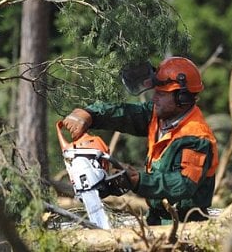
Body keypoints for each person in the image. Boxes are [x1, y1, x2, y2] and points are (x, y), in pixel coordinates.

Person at [62, 56, 219, 225]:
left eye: (161, 94)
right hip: (156, 215)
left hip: (187, 222)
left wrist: (138, 180)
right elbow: (124, 114)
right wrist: (90, 114)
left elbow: (183, 184)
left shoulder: (197, 137)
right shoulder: (159, 116)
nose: (154, 98)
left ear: (183, 98)